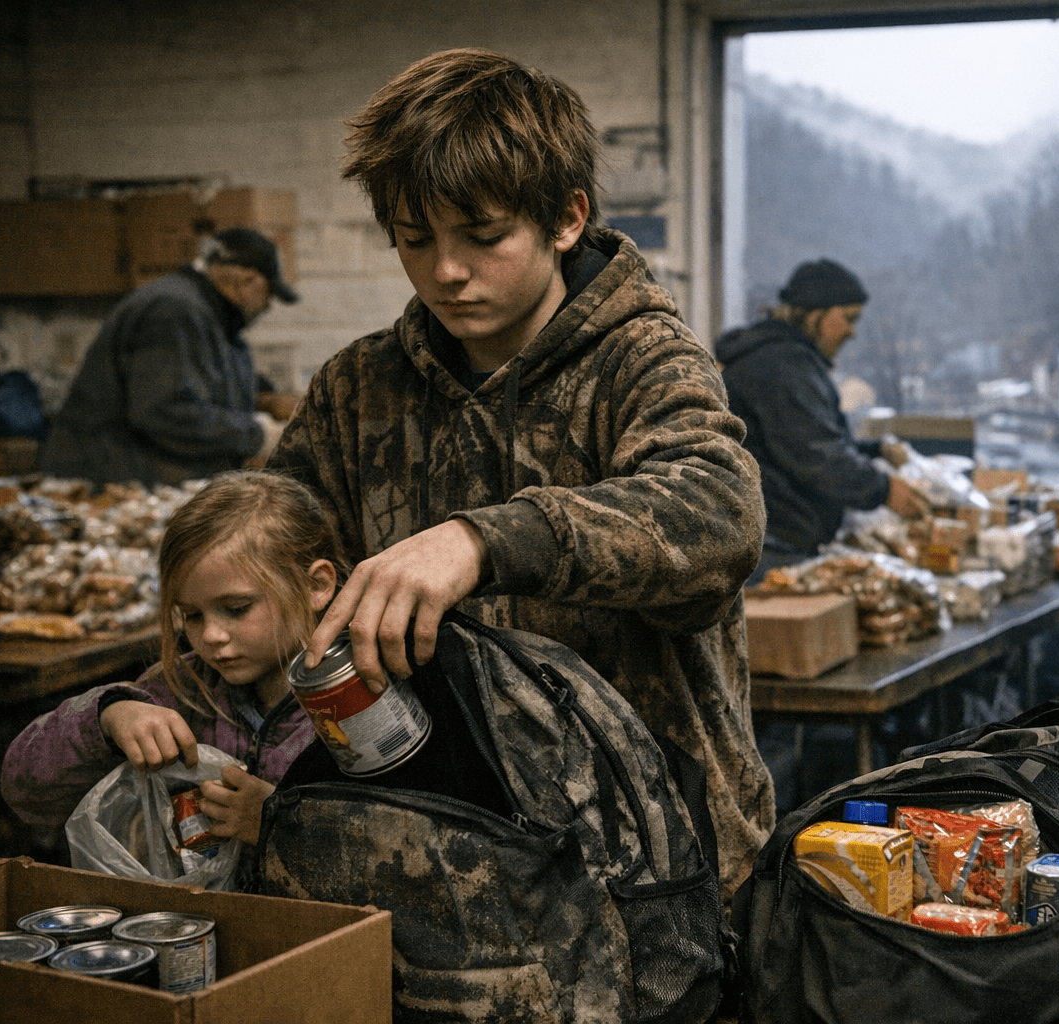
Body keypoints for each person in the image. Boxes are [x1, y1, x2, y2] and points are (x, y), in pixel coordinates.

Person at [265, 48, 774, 900]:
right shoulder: (357, 390)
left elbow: (718, 513)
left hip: (650, 863)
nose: (445, 271)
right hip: (445, 855)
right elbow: (265, 552)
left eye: (484, 236)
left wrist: (480, 541)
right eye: (414, 239)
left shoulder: (642, 360)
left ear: (566, 218)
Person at [1, 471, 343, 848]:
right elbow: (24, 791)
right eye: (192, 615)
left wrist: (281, 823)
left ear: (315, 585)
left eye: (236, 608)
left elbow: (389, 843)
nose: (211, 635)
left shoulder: (364, 701)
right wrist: (108, 717)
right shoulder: (183, 690)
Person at [716, 259, 930, 583]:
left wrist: (874, 451)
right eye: (848, 318)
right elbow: (817, 457)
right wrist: (884, 490)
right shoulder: (782, 366)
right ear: (815, 313)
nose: (852, 332)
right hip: (769, 546)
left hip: (776, 540)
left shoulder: (787, 360)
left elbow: (806, 441)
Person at [39, 227, 299, 486]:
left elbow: (203, 387)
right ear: (246, 280)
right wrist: (259, 436)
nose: (266, 306)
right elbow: (165, 412)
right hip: (108, 480)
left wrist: (265, 403)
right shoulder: (173, 310)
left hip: (139, 475)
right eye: (268, 294)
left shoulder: (209, 313)